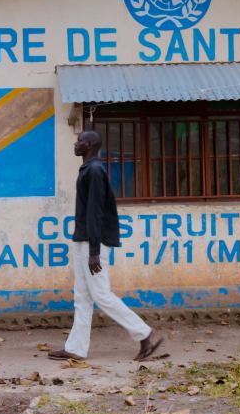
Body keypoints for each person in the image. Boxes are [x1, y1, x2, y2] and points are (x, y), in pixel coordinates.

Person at [49, 130, 163, 362]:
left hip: (93, 243)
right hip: (84, 240)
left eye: (80, 141)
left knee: (101, 295)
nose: (76, 144)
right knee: (82, 296)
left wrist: (94, 251)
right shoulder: (89, 169)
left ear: (90, 145)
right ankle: (76, 348)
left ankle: (144, 333)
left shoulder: (94, 171)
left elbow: (95, 212)